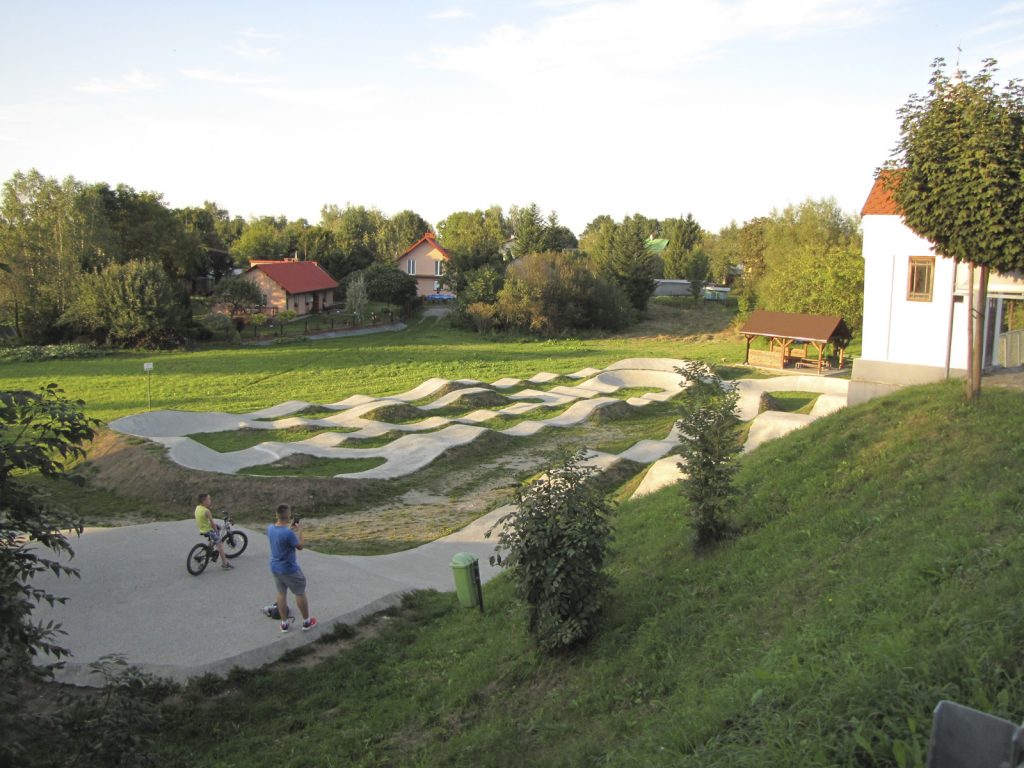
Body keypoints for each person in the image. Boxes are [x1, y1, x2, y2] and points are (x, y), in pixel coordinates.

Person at [267, 504, 317, 633]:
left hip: (275, 567)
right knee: (300, 593)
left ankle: (284, 624)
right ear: (288, 515)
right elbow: (299, 546)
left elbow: (281, 536)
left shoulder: (270, 528)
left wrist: (290, 530)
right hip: (289, 569)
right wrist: (300, 531)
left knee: (281, 593)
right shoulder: (288, 533)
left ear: (276, 515)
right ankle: (306, 622)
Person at [194, 492, 233, 570]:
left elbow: (205, 521)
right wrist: (217, 532)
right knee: (220, 543)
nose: (210, 500)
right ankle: (225, 564)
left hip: (202, 528)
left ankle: (210, 547)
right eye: (209, 499)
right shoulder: (207, 511)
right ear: (204, 501)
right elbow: (212, 524)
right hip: (208, 530)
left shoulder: (198, 508)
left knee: (218, 528)